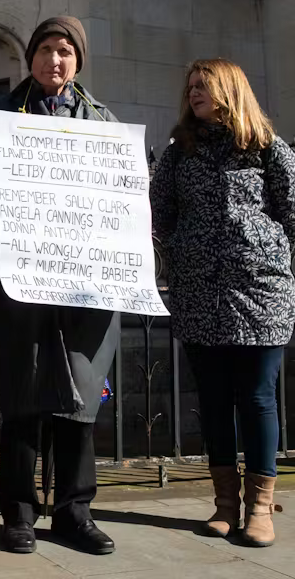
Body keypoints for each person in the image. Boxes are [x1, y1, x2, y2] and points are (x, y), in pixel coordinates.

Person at [0, 16, 118, 556]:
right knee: (24, 397)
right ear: (30, 57)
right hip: (23, 286)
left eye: (66, 53)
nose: (56, 61)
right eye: (47, 50)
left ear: (77, 61)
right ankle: (19, 511)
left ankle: (76, 512)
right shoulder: (1, 115)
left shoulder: (102, 120)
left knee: (80, 401)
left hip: (85, 293)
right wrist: (5, 264)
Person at [150, 59, 295, 547]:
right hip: (199, 292)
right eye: (189, 85)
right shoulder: (178, 155)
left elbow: (293, 214)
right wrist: (187, 251)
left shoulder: (267, 150)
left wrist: (265, 256)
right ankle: (224, 504)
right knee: (212, 400)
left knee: (256, 398)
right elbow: (161, 215)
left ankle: (259, 507)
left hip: (260, 291)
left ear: (229, 90)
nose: (193, 93)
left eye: (203, 85)